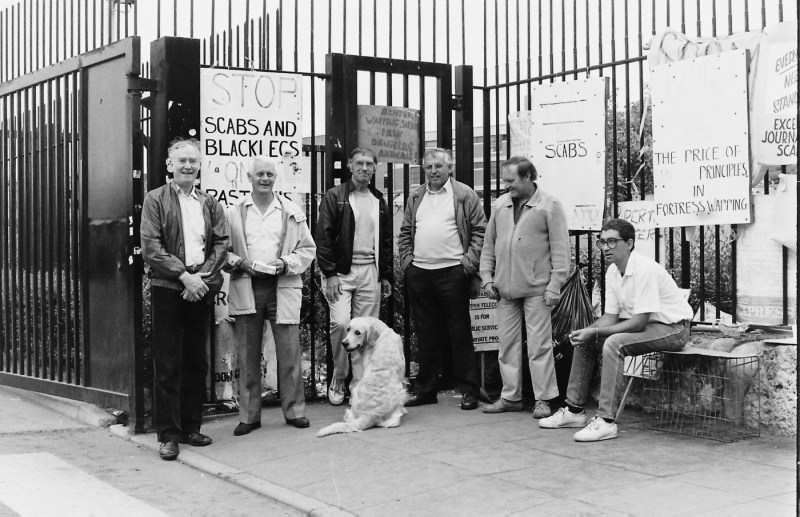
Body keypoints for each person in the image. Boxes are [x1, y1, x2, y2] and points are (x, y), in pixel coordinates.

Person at [539, 218, 692, 441]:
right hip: (650, 326)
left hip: (674, 329)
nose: (605, 247)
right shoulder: (613, 272)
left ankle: (606, 421)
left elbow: (638, 322)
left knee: (613, 342)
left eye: (612, 242)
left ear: (629, 243)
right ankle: (573, 411)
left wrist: (598, 333)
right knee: (587, 339)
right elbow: (609, 318)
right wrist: (588, 332)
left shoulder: (644, 270)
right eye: (602, 242)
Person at [140, 137, 229, 461]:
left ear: (199, 165)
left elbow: (222, 242)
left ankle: (192, 427)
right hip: (168, 286)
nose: (188, 166)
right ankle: (168, 434)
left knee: (196, 361)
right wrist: (183, 276)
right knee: (168, 362)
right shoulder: (155, 199)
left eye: (193, 161)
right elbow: (151, 246)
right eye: (182, 161)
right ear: (170, 165)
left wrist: (201, 278)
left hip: (200, 286)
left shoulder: (209, 203)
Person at [225, 157, 316, 435]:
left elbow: (307, 249)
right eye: (259, 174)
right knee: (247, 353)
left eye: (269, 174)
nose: (265, 178)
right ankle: (249, 416)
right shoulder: (234, 212)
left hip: (282, 286)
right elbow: (220, 251)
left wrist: (285, 263)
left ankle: (295, 411)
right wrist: (241, 263)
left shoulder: (290, 210)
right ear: (249, 178)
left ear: (276, 178)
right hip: (248, 286)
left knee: (289, 352)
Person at [480, 156, 570, 419]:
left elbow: (561, 251)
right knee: (507, 345)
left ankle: (543, 398)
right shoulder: (500, 205)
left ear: (529, 177)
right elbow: (489, 246)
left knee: (539, 345)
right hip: (503, 289)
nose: (507, 186)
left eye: (512, 180)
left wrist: (555, 286)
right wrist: (487, 277)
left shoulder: (549, 205)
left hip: (537, 289)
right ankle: (511, 397)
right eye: (505, 180)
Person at [398, 148, 485, 410]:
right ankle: (426, 389)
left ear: (449, 168)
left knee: (459, 332)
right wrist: (408, 265)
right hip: (420, 273)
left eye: (438, 166)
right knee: (426, 334)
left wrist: (466, 265)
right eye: (428, 167)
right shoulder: (417, 195)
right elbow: (404, 232)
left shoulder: (464, 194)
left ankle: (468, 389)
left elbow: (480, 231)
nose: (433, 171)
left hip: (453, 272)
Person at [315, 148, 392, 406]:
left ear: (374, 168)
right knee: (340, 324)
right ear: (350, 165)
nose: (364, 168)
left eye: (369, 164)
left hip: (371, 271)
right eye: (359, 162)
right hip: (341, 273)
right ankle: (339, 376)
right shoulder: (336, 197)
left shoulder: (378, 200)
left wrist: (386, 275)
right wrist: (330, 274)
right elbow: (323, 238)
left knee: (365, 331)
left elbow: (387, 241)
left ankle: (360, 386)